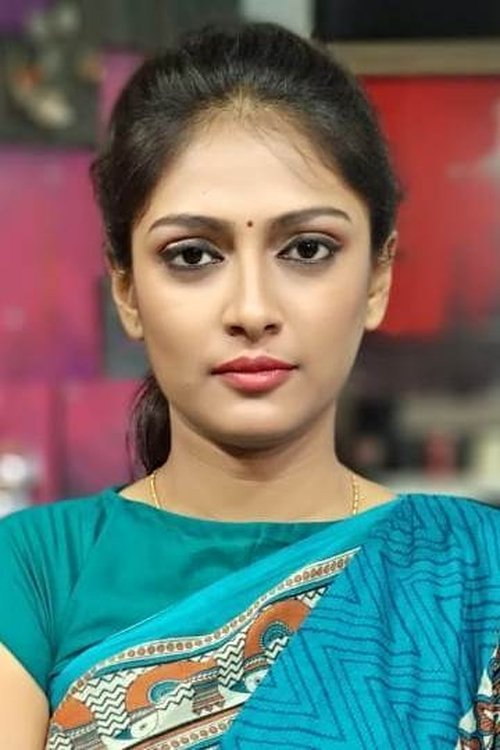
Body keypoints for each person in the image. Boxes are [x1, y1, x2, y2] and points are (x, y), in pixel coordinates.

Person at [0, 22, 498, 750]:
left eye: (307, 249)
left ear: (377, 278)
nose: (253, 310)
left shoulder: (477, 577)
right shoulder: (31, 573)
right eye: (193, 255)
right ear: (127, 291)